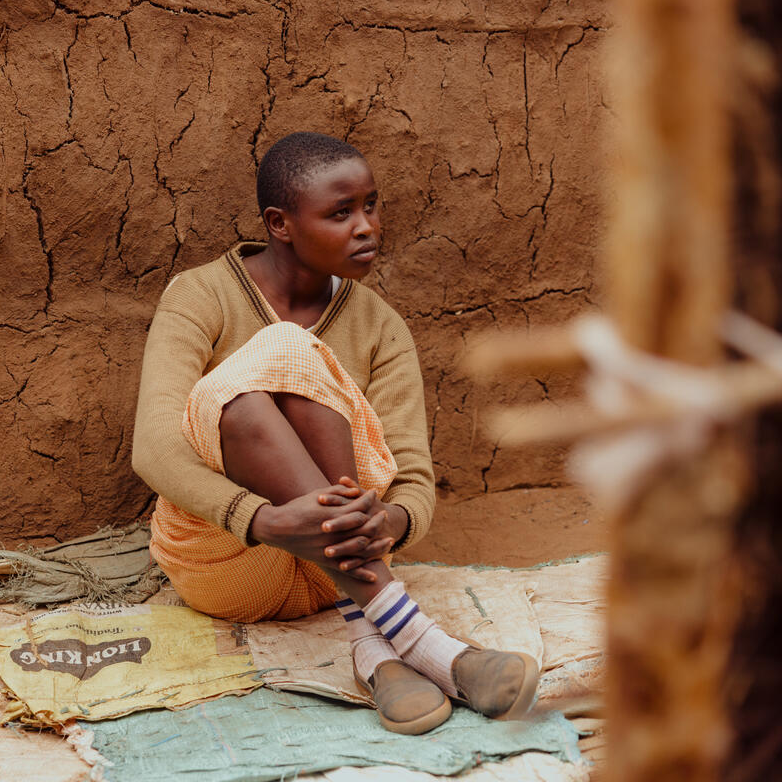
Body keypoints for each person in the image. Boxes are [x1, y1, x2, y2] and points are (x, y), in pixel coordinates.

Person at [132, 131, 538, 734]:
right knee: (278, 360)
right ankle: (429, 648)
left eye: (371, 205)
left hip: (345, 565)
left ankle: (373, 649)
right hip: (229, 559)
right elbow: (155, 447)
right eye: (340, 213)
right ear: (281, 223)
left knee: (311, 373)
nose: (367, 226)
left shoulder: (380, 326)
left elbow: (412, 475)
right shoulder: (201, 296)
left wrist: (393, 521)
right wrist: (261, 520)